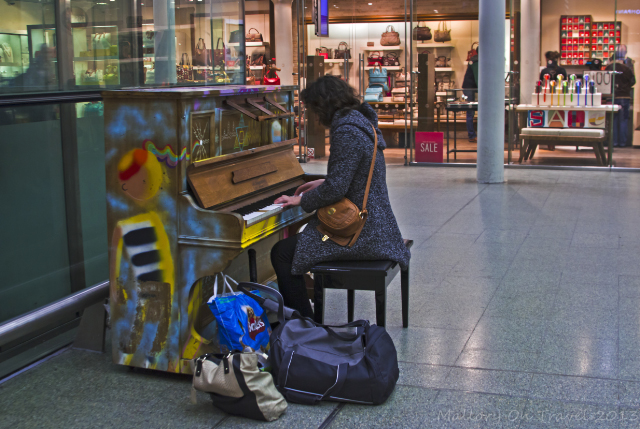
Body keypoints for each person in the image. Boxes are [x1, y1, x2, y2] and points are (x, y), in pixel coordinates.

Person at [270, 76, 410, 318]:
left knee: (282, 253)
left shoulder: (346, 130)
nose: (312, 116)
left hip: (361, 233)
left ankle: (302, 325)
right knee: (295, 246)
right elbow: (356, 173)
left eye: (312, 109)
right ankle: (301, 318)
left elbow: (336, 189)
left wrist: (300, 201)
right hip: (374, 223)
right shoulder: (360, 122)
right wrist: (325, 181)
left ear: (323, 105)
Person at [606, 44, 636, 147]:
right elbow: (633, 81)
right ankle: (622, 142)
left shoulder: (609, 67)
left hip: (612, 96)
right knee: (623, 120)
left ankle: (613, 142)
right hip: (624, 96)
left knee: (612, 120)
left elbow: (605, 82)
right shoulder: (627, 68)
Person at [462, 47, 478, 143]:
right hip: (471, 88)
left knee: (470, 112)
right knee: (470, 112)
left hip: (470, 88)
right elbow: (478, 78)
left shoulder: (475, 60)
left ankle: (472, 135)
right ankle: (472, 135)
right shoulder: (476, 61)